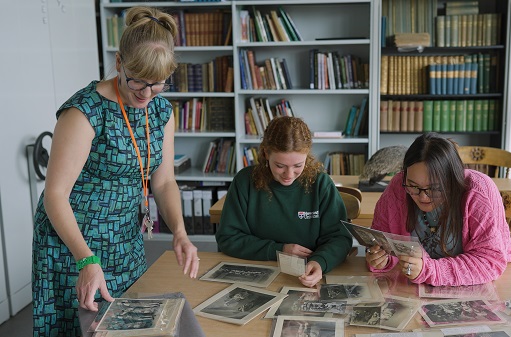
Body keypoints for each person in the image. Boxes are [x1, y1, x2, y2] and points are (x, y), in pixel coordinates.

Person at [31, 6, 199, 336]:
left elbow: (163, 181)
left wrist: (179, 231)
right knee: (76, 326)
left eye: (157, 85)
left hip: (124, 238)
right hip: (72, 243)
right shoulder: (85, 112)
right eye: (137, 81)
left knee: (127, 326)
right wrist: (85, 259)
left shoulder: (162, 111)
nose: (146, 94)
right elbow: (55, 194)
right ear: (119, 63)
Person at [365, 132, 511, 286]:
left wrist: (429, 270)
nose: (423, 197)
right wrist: (382, 259)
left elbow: (489, 262)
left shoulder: (477, 190)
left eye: (434, 188)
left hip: (482, 286)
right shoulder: (398, 186)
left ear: (452, 179)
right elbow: (383, 240)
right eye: (413, 186)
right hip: (415, 291)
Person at [215, 116, 352, 287]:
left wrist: (320, 262)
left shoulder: (321, 184)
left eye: (298, 166)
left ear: (307, 156)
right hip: (257, 273)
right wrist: (279, 250)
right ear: (266, 153)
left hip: (305, 277)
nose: (289, 175)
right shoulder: (245, 182)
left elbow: (340, 238)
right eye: (280, 166)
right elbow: (228, 238)